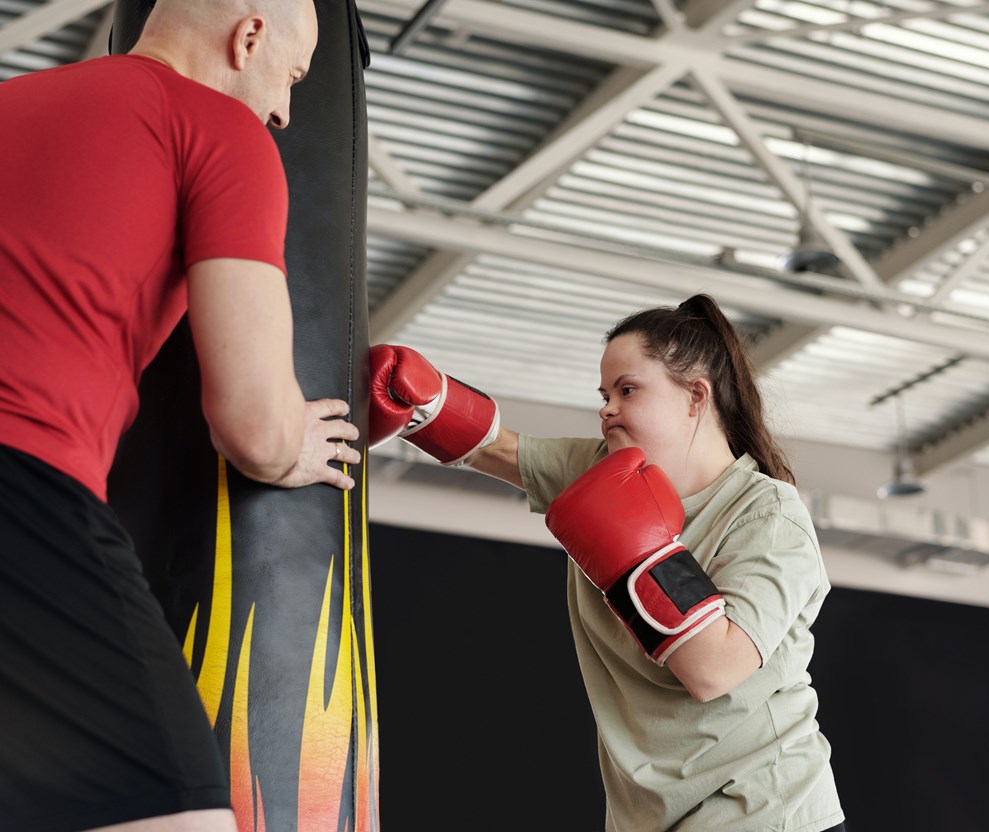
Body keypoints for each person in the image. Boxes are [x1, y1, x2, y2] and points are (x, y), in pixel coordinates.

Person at [0, 1, 362, 830]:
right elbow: (253, 424)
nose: (285, 112)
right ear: (249, 36)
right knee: (182, 816)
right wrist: (292, 447)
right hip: (22, 482)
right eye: (293, 77)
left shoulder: (16, 102)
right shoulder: (219, 130)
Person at [368, 293, 846, 832]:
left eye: (628, 390)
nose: (606, 408)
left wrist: (637, 549)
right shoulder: (603, 467)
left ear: (695, 397)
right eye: (604, 393)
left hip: (762, 808)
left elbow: (714, 669)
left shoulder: (767, 514)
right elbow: (497, 450)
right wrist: (421, 405)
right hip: (647, 815)